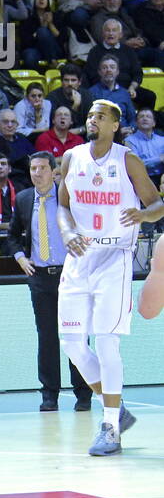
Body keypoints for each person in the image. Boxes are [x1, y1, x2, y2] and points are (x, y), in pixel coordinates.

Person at [57, 100, 164, 456]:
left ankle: (110, 426)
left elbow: (157, 203)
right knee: (73, 343)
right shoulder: (71, 157)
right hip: (78, 258)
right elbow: (62, 205)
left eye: (101, 116)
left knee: (106, 342)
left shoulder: (127, 159)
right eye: (89, 115)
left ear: (116, 125)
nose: (93, 120)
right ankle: (118, 410)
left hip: (114, 258)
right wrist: (67, 232)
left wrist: (145, 217)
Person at [6, 152, 93, 413]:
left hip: (70, 275)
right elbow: (11, 237)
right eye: (33, 168)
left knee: (77, 335)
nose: (37, 173)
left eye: (42, 168)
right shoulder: (23, 200)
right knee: (46, 338)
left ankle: (83, 393)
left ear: (53, 171)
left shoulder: (68, 197)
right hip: (40, 277)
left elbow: (87, 230)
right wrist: (21, 257)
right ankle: (49, 395)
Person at [0, 108, 37, 188]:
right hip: (11, 181)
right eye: (5, 122)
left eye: (13, 122)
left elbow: (35, 157)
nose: (10, 125)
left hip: (31, 176)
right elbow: (6, 162)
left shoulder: (22, 138)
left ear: (17, 124)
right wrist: (25, 160)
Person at [126, 109, 164, 183]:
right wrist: (159, 159)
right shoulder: (129, 141)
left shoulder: (162, 140)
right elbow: (135, 165)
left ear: (154, 123)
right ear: (136, 123)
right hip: (140, 179)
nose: (145, 118)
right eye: (141, 116)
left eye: (148, 117)